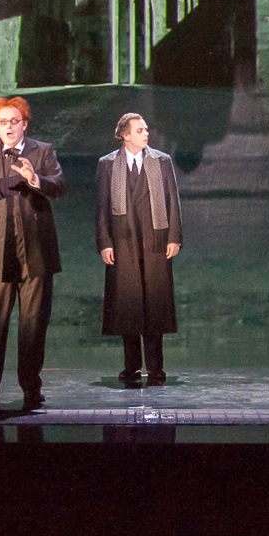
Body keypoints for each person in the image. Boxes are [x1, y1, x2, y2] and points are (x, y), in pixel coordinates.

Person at [0, 95, 65, 412]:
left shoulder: (42, 151)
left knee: (33, 324)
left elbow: (59, 185)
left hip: (35, 251)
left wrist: (37, 179)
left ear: (24, 124)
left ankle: (31, 389)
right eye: (2, 122)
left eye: (14, 121)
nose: (8, 127)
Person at [95, 112, 183, 387]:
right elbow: (101, 208)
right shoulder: (108, 164)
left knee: (154, 305)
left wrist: (174, 237)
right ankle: (131, 367)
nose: (146, 134)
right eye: (140, 130)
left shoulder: (161, 161)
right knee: (128, 305)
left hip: (155, 239)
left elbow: (172, 200)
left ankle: (156, 369)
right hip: (123, 242)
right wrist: (105, 242)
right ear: (125, 135)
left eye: (146, 129)